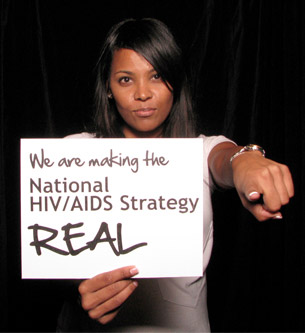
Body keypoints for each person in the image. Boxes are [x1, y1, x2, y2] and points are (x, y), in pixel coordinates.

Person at [57, 18, 294, 332]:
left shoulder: (198, 151)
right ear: (109, 89)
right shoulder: (73, 154)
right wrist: (76, 290)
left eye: (156, 75)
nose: (143, 93)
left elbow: (223, 158)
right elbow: (54, 249)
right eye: (126, 79)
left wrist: (244, 159)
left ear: (175, 81)